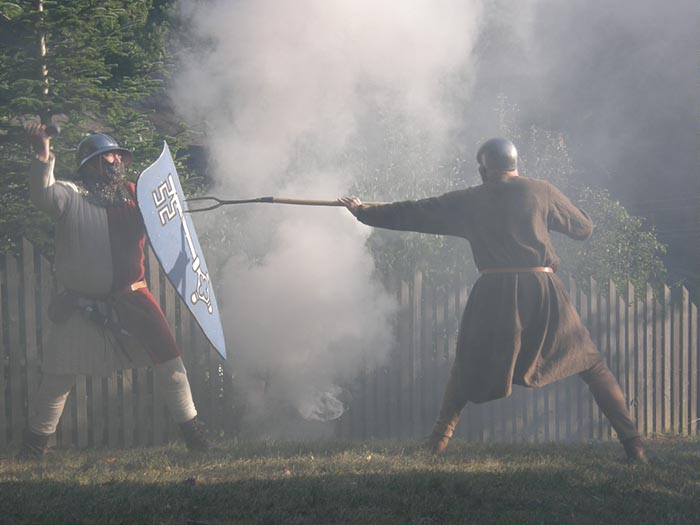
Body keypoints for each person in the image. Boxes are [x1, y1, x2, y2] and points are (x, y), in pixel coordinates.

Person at [339, 137, 646, 462]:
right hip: (542, 287)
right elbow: (583, 229)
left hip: (495, 291)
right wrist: (559, 213)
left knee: (466, 363)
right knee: (591, 364)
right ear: (515, 164)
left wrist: (362, 211)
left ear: (484, 169)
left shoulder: (471, 199)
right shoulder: (541, 190)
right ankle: (635, 446)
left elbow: (415, 212)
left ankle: (437, 443)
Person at [19, 125, 208, 457]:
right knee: (58, 377)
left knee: (171, 364)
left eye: (117, 156)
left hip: (133, 297)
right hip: (80, 304)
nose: (114, 162)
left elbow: (169, 224)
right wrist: (43, 154)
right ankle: (34, 448)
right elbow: (40, 193)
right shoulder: (69, 196)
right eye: (106, 158)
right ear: (90, 166)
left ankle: (197, 441)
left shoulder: (138, 196)